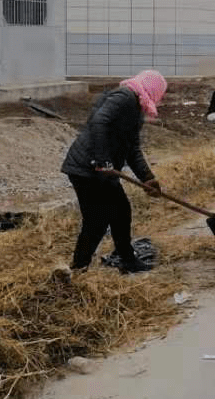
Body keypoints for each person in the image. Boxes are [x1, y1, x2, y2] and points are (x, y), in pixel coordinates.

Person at [60, 70, 168, 273]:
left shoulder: (136, 108)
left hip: (101, 170)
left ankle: (126, 260)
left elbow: (132, 148)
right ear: (153, 90)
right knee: (96, 221)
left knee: (121, 211)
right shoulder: (125, 97)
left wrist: (147, 177)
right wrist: (103, 161)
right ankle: (78, 267)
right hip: (87, 168)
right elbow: (99, 122)